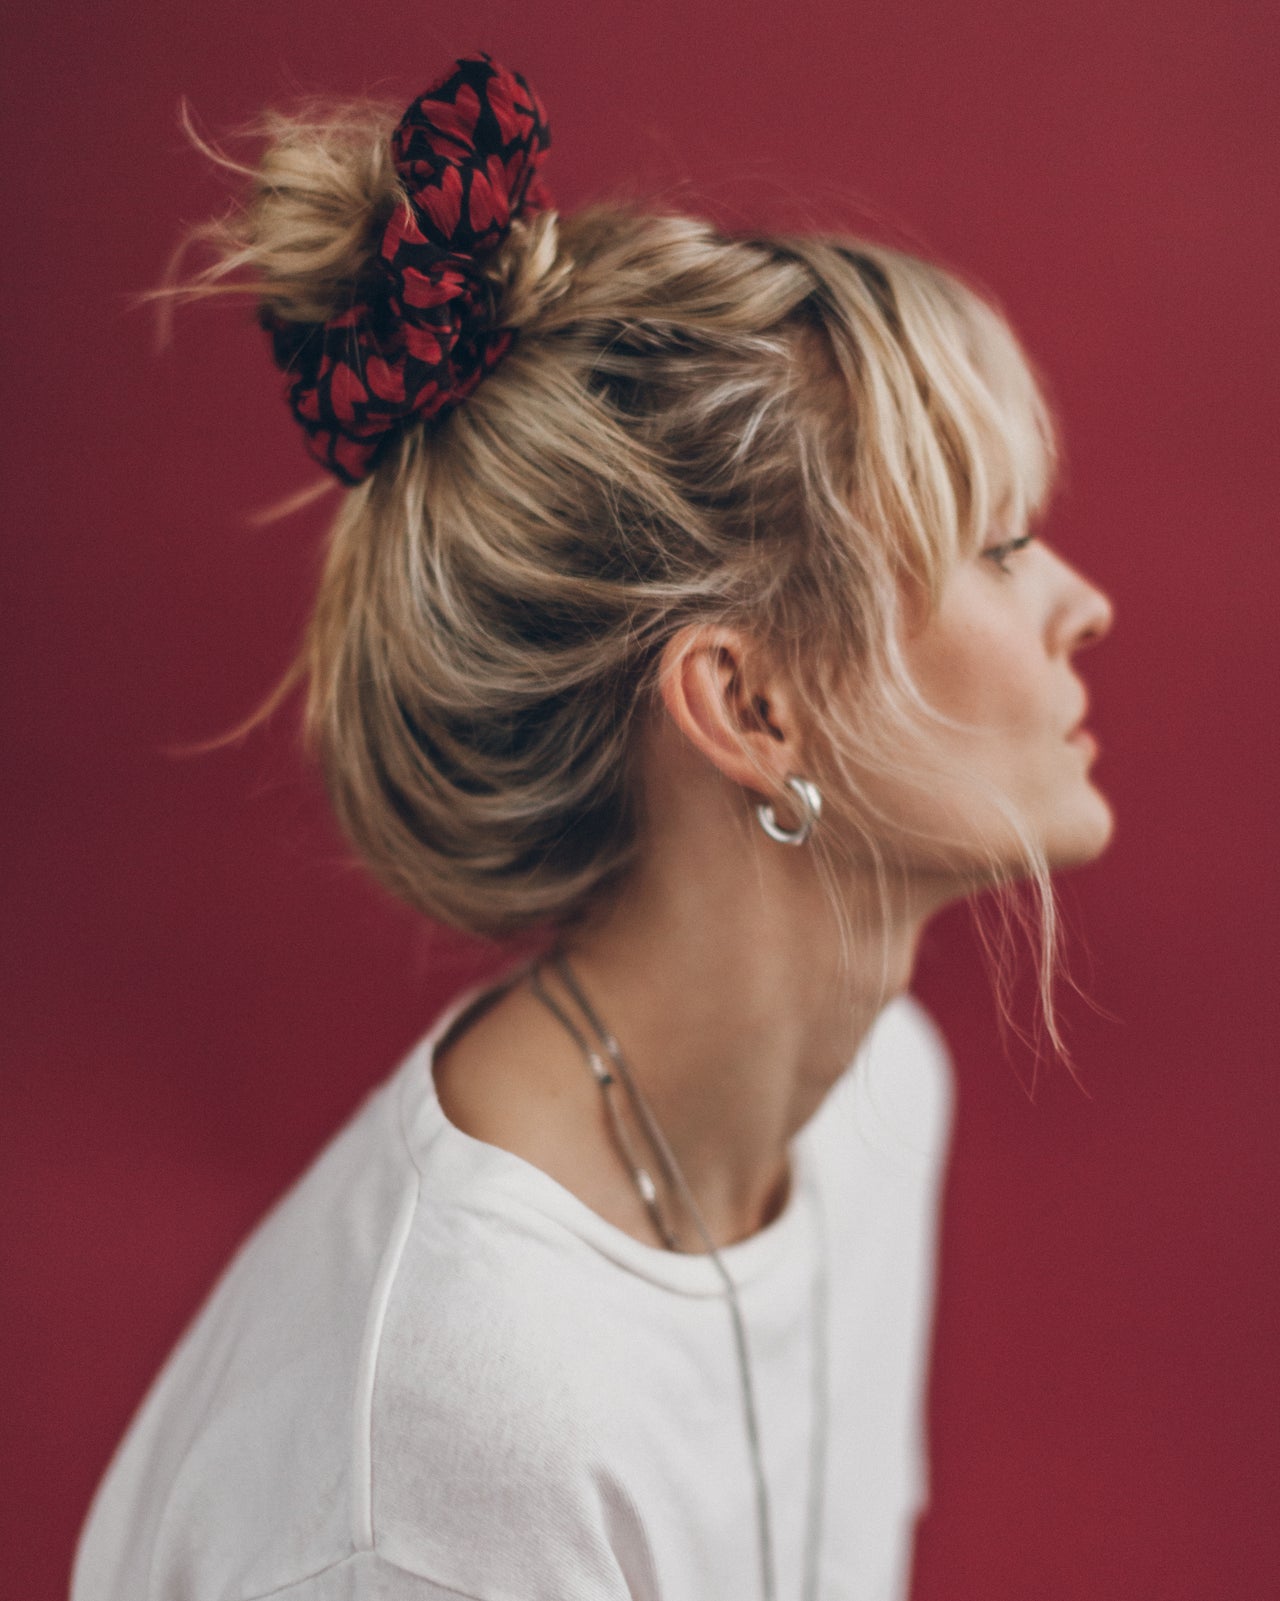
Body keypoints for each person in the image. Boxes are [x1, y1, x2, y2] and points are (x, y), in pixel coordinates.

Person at [71, 51, 1113, 1601]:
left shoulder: (881, 1106)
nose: (1084, 604)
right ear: (751, 709)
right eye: (999, 544)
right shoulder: (455, 1450)